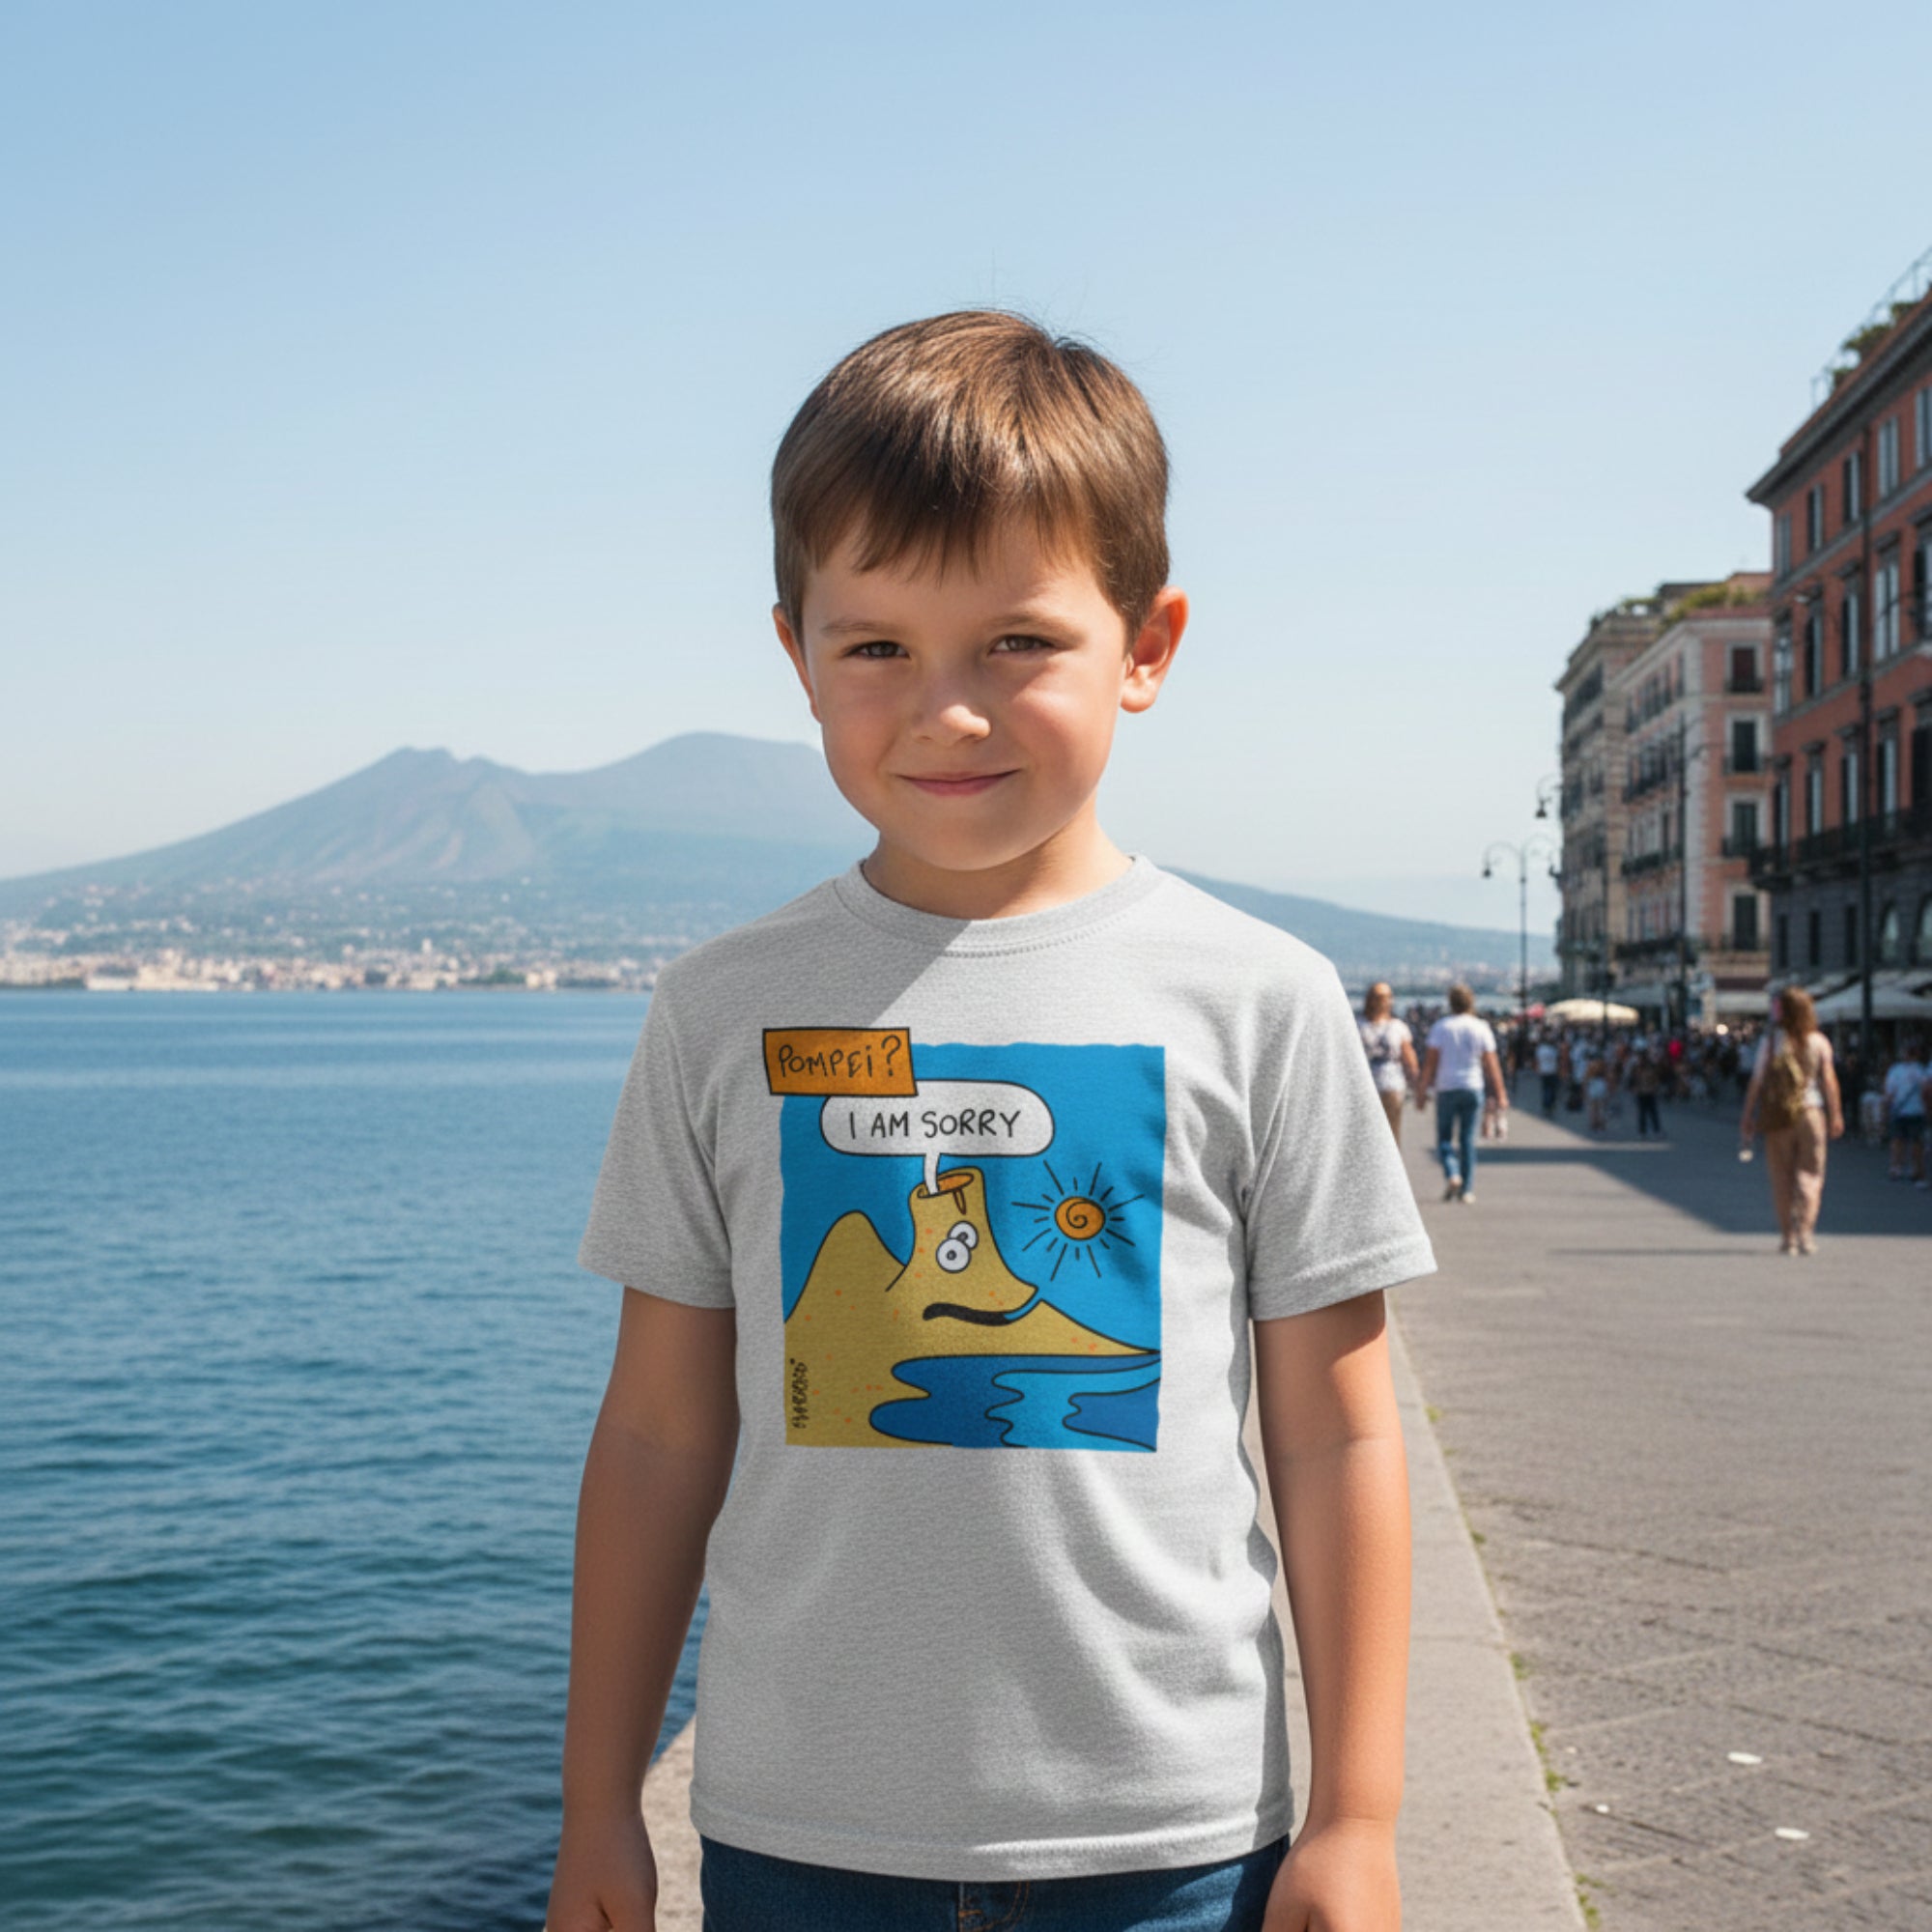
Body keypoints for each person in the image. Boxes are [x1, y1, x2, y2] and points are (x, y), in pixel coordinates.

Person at [545, 312, 1437, 1932]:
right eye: (876, 647)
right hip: (800, 1835)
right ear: (796, 655)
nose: (945, 711)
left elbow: (1338, 1433)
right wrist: (599, 1804)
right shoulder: (718, 1010)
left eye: (1017, 643)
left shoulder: (1260, 997)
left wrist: (1358, 1817)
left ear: (1146, 646)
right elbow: (661, 1433)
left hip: (1172, 1841)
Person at [1740, 985, 1844, 1255]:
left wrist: (1748, 1115)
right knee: (1810, 1175)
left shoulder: (1771, 1042)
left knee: (1781, 1178)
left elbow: (1757, 1081)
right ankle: (1806, 1234)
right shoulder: (1819, 1042)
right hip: (1811, 1113)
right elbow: (1829, 1081)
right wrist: (1836, 1114)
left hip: (1779, 1116)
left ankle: (1788, 1238)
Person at [1420, 984, 1507, 1204]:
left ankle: (1453, 1173)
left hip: (1447, 1087)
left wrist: (1422, 1089)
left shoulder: (1441, 1027)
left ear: (1451, 1002)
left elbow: (1430, 1063)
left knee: (1444, 1138)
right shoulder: (1480, 1027)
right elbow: (1491, 1064)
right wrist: (1500, 1093)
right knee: (1468, 1139)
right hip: (1472, 1086)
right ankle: (1467, 1189)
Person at [1358, 980, 1419, 1143]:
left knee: (1391, 1134)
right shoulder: (1359, 1025)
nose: (1383, 1001)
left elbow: (1409, 1057)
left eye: (1387, 997)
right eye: (1379, 997)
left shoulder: (1397, 1026)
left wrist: (1416, 1084)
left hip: (1391, 1084)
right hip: (1364, 1087)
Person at [1883, 1035, 1928, 1186]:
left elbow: (1890, 1093)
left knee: (1897, 1140)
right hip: (1917, 1110)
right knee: (1916, 1142)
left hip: (1899, 1110)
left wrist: (1886, 1109)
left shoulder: (1895, 1071)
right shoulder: (1921, 1070)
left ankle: (1896, 1167)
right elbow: (1926, 1091)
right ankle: (1916, 1169)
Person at [1631, 1049, 1664, 1139]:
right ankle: (1643, 1131)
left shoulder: (1650, 1069)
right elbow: (1634, 1081)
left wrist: (1654, 1088)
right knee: (1642, 1113)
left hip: (1649, 1093)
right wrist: (1636, 1088)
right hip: (1642, 1093)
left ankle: (1656, 1130)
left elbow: (1655, 1080)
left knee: (1652, 1113)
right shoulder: (1637, 1069)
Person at [1535, 1034, 1561, 1114]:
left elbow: (1537, 1060)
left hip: (1543, 1071)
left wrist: (1538, 1069)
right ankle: (1550, 1104)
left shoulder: (1540, 1049)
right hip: (1552, 1071)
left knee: (1545, 1088)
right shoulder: (1553, 1050)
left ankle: (1546, 1103)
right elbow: (1557, 1059)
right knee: (1552, 1089)